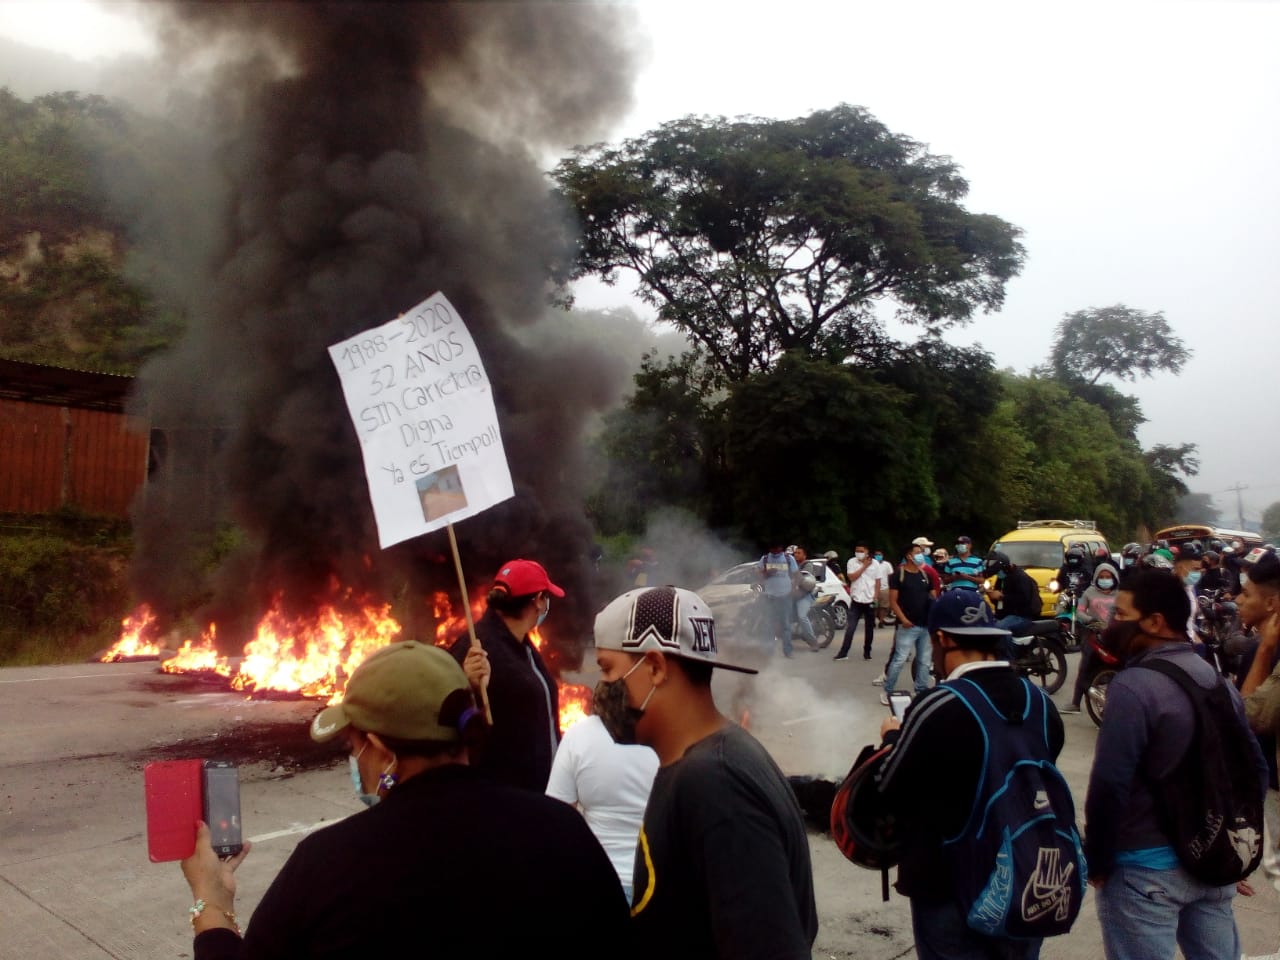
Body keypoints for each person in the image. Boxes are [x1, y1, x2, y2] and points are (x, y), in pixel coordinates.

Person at [179, 641, 630, 959]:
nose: (355, 759)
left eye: (352, 746)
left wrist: (212, 903)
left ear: (381, 750)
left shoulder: (327, 865)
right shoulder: (562, 831)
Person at [592, 585, 818, 958]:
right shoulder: (712, 761)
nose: (600, 689)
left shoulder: (716, 783)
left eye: (607, 669)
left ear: (654, 667)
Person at [1084, 567, 1268, 960]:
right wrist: (1239, 851)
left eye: (1121, 615)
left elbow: (1110, 784)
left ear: (1154, 622)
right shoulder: (1216, 681)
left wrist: (1097, 859)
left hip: (1144, 873)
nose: (1112, 623)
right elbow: (1255, 769)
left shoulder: (1132, 687)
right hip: (1211, 864)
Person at [873, 590, 1067, 960]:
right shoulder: (1038, 700)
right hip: (1026, 875)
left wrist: (891, 737)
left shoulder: (939, 703)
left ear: (942, 639)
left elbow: (887, 787)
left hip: (949, 887)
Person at [450, 558, 562, 791]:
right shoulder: (475, 649)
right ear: (538, 601)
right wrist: (468, 685)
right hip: (504, 793)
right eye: (546, 597)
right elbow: (451, 716)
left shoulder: (522, 642)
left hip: (537, 790)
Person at [546, 675, 660, 903]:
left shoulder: (579, 736)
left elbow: (556, 819)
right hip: (654, 887)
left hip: (597, 884)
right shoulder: (663, 739)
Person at [1062, 560, 1119, 714]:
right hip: (1093, 636)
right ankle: (1075, 703)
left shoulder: (1120, 595)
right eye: (1102, 576)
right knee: (1085, 668)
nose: (1105, 579)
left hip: (1114, 636)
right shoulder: (1089, 592)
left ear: (1114, 578)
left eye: (1108, 576)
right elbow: (1080, 611)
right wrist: (1089, 620)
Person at [884, 543, 938, 702]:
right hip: (908, 625)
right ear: (909, 556)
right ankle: (888, 690)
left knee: (924, 661)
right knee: (899, 659)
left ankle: (921, 690)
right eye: (918, 552)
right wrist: (903, 620)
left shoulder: (924, 574)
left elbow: (933, 596)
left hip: (925, 624)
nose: (921, 555)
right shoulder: (898, 575)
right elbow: (893, 601)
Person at [834, 543, 878, 661]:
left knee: (869, 628)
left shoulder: (875, 564)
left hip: (869, 599)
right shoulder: (852, 562)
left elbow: (877, 581)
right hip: (856, 599)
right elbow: (852, 577)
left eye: (861, 550)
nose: (859, 552)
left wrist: (876, 596)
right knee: (851, 627)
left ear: (867, 551)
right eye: (857, 550)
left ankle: (867, 652)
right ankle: (843, 652)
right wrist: (864, 566)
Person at [984, 550, 1040, 637]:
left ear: (1004, 567)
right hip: (1005, 615)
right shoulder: (1002, 578)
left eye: (998, 572)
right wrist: (992, 596)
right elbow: (999, 602)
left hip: (1021, 616)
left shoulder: (1020, 577)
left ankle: (1008, 650)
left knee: (1000, 629)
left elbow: (1024, 599)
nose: (997, 574)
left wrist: (1002, 597)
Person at [758, 540, 799, 657]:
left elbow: (796, 575)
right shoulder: (765, 559)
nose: (775, 551)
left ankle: (788, 651)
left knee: (786, 625)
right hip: (769, 596)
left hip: (785, 596)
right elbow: (758, 575)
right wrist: (767, 572)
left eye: (777, 548)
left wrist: (794, 588)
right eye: (772, 549)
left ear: (781, 548)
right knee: (769, 624)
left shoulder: (788, 559)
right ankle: (768, 651)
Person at [791, 545, 820, 651]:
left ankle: (814, 642)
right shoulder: (792, 565)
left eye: (799, 553)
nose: (796, 555)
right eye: (795, 553)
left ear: (804, 555)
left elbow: (802, 579)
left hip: (805, 595)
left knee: (802, 616)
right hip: (794, 594)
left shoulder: (807, 565)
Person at [872, 548, 895, 627]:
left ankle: (881, 621)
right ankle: (873, 621)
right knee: (874, 606)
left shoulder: (887, 564)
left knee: (883, 607)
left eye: (879, 554)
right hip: (873, 588)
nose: (878, 556)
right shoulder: (872, 564)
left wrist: (891, 587)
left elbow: (890, 576)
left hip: (884, 588)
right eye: (876, 555)